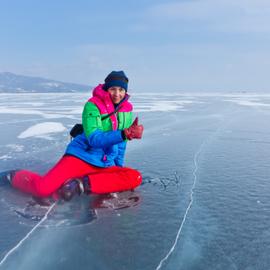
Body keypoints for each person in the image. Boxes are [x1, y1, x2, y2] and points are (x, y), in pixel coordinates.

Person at [0, 71, 144, 201]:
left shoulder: (126, 110)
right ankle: (12, 176)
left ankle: (79, 184)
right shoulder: (93, 106)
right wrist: (124, 133)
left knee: (135, 177)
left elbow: (121, 144)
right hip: (81, 157)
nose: (117, 94)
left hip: (105, 163)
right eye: (113, 89)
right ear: (107, 88)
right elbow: (95, 139)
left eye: (121, 89)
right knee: (43, 189)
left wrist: (118, 170)